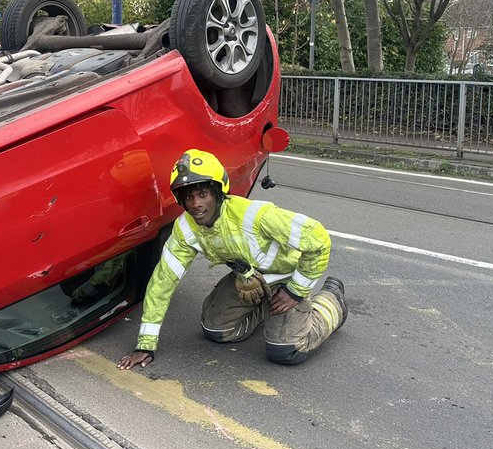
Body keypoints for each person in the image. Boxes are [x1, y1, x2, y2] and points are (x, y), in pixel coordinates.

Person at [118, 149, 347, 370]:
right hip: (249, 278)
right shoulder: (185, 229)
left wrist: (295, 291)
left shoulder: (255, 215)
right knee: (215, 330)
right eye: (188, 197)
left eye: (202, 194)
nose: (195, 204)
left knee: (285, 350)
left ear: (218, 193)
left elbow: (318, 239)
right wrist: (145, 345)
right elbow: (162, 282)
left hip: (287, 278)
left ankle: (331, 301)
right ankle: (267, 306)